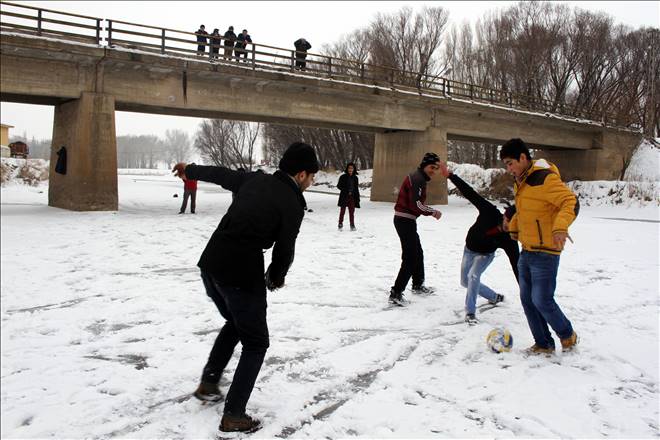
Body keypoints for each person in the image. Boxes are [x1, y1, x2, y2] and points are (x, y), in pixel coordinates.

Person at [172, 142, 319, 433]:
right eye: (312, 176)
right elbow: (284, 250)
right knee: (256, 342)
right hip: (241, 272)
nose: (312, 181)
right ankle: (234, 414)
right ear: (302, 174)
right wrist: (276, 276)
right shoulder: (292, 203)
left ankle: (209, 383)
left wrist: (190, 169)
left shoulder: (255, 179)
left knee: (237, 323)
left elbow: (221, 174)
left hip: (211, 262)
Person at [500, 138, 579, 354]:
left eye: (510, 163)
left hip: (546, 251)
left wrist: (560, 228)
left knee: (541, 300)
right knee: (527, 300)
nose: (509, 169)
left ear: (523, 158)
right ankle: (543, 344)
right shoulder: (522, 181)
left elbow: (569, 202)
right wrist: (513, 225)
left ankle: (567, 335)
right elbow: (525, 210)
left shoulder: (544, 179)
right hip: (527, 250)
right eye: (506, 165)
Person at [438, 162, 519, 324]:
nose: (508, 225)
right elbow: (470, 193)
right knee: (465, 281)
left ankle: (470, 313)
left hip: (485, 254)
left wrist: (528, 291)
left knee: (473, 276)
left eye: (514, 225)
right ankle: (494, 297)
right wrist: (450, 176)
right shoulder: (489, 211)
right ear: (506, 216)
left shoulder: (510, 239)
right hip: (469, 249)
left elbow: (516, 265)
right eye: (508, 221)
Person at [389, 152, 443, 306]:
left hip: (407, 220)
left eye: (436, 168)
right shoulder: (417, 179)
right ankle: (396, 293)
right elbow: (416, 204)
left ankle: (418, 284)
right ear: (424, 165)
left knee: (417, 252)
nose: (433, 170)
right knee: (410, 257)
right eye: (432, 167)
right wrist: (432, 212)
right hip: (404, 220)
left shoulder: (420, 178)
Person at [336, 162, 360, 231]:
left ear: (354, 169)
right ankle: (340, 224)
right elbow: (339, 186)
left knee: (352, 212)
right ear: (347, 169)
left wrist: (357, 198)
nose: (350, 169)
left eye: (352, 168)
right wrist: (345, 190)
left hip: (352, 197)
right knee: (342, 211)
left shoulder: (355, 178)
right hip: (344, 196)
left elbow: (356, 188)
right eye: (349, 168)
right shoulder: (343, 177)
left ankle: (352, 225)